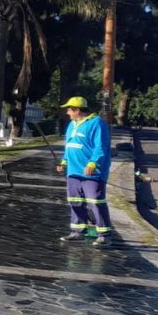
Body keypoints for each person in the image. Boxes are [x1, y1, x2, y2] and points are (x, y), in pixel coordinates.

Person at [56, 96, 113, 247]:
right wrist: (63, 162)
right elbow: (69, 146)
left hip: (92, 173)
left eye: (69, 109)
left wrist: (93, 163)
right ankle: (77, 232)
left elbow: (101, 147)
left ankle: (104, 235)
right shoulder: (71, 125)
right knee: (75, 201)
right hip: (73, 171)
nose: (67, 112)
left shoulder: (97, 123)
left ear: (77, 110)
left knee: (95, 202)